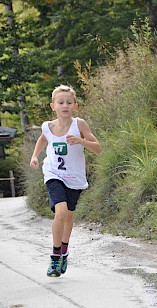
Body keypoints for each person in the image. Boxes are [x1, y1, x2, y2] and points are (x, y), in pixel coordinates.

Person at [30, 85, 102, 277]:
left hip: (74, 178)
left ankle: (64, 250)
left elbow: (98, 148)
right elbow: (43, 139)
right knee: (60, 211)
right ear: (53, 106)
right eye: (61, 102)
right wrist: (35, 156)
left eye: (69, 102)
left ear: (75, 106)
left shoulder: (80, 125)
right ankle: (54, 258)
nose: (65, 105)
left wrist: (81, 141)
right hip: (54, 174)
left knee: (68, 216)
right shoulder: (48, 126)